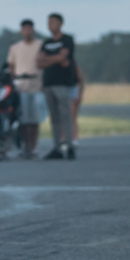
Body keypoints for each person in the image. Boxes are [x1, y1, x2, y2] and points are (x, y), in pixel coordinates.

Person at [38, 13, 77, 160]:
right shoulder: (46, 42)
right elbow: (39, 61)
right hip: (48, 83)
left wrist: (48, 59)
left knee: (65, 116)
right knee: (54, 118)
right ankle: (57, 147)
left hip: (62, 83)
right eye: (48, 22)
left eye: (53, 22)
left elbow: (63, 57)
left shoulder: (67, 40)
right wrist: (56, 60)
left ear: (60, 23)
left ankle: (70, 146)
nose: (50, 25)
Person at [7, 19, 45, 158]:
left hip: (36, 85)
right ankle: (25, 146)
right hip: (21, 86)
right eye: (25, 29)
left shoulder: (40, 45)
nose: (27, 31)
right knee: (23, 119)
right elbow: (11, 66)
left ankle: (33, 146)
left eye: (30, 29)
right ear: (21, 31)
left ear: (33, 30)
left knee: (34, 119)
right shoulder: (15, 47)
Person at [71, 64, 86, 146]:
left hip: (74, 92)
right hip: (67, 92)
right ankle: (64, 138)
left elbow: (81, 81)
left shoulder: (75, 67)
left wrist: (80, 94)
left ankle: (74, 138)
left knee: (73, 117)